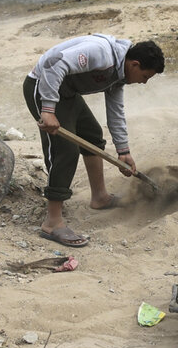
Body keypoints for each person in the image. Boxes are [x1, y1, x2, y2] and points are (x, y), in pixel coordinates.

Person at [24, 35, 164, 247]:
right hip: (42, 86)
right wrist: (48, 109)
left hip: (67, 92)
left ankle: (100, 197)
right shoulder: (101, 54)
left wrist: (123, 151)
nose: (143, 82)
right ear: (134, 64)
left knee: (92, 135)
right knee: (65, 150)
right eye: (145, 76)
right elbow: (54, 63)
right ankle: (52, 222)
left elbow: (116, 112)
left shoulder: (118, 76)